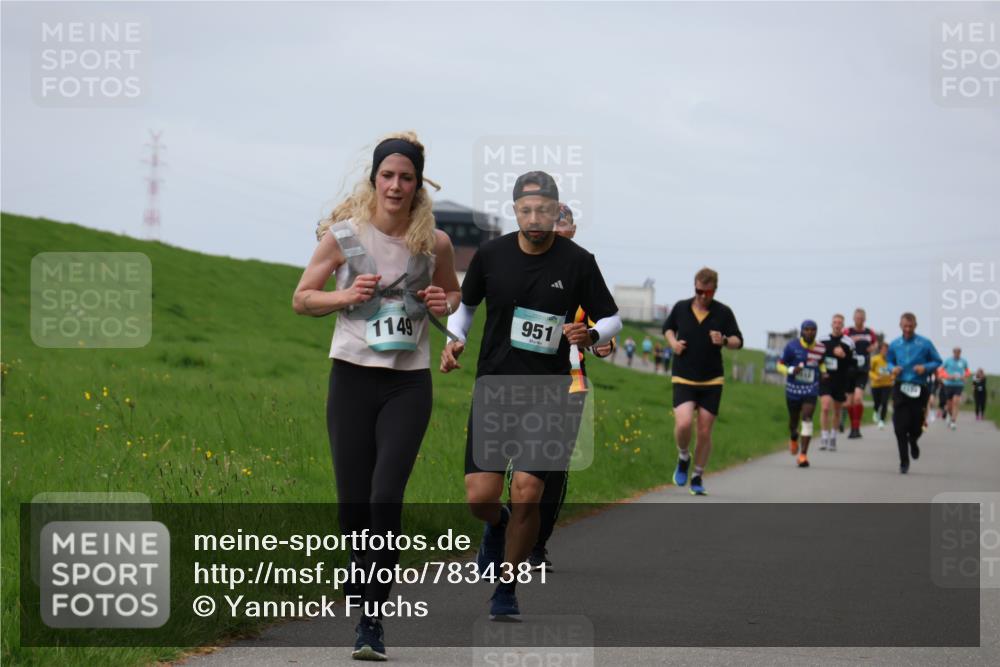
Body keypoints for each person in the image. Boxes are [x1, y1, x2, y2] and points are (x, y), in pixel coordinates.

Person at [292, 132, 461, 661]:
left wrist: (443, 300)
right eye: (387, 175)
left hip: (408, 381)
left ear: (418, 185)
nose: (395, 185)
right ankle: (358, 569)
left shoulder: (433, 243)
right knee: (353, 504)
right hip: (352, 377)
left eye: (406, 177)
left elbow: (455, 295)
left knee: (385, 496)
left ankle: (372, 619)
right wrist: (345, 294)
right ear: (374, 179)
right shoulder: (344, 236)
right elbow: (302, 298)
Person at [440, 172, 620, 620]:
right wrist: (454, 338)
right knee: (480, 497)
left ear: (557, 211)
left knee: (528, 489)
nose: (535, 217)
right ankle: (496, 526)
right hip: (496, 389)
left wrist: (592, 331)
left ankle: (506, 585)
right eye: (526, 209)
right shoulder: (491, 254)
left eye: (544, 210)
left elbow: (612, 319)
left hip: (551, 393)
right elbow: (466, 307)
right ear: (516, 210)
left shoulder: (578, 262)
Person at [663, 267, 744, 495]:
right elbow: (668, 328)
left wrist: (725, 340)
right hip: (684, 375)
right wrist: (673, 344)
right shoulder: (681, 307)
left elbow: (739, 340)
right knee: (684, 423)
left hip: (711, 379)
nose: (701, 296)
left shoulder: (723, 312)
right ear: (695, 287)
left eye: (706, 292)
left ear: (714, 291)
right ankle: (683, 456)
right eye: (698, 291)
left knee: (705, 430)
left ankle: (697, 476)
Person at [886, 312, 942, 474]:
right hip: (901, 387)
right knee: (899, 427)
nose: (908, 329)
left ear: (915, 326)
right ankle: (904, 461)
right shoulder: (895, 344)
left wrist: (925, 368)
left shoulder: (925, 343)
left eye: (910, 326)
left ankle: (914, 440)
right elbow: (889, 361)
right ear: (900, 326)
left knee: (917, 425)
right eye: (905, 326)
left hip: (919, 387)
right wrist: (892, 368)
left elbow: (938, 361)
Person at [778, 320, 826, 468]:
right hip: (793, 389)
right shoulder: (792, 346)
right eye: (807, 330)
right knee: (794, 421)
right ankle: (793, 437)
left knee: (807, 418)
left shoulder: (820, 348)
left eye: (813, 330)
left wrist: (823, 372)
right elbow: (779, 364)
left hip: (811, 389)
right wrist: (791, 370)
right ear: (802, 331)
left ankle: (803, 455)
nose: (810, 332)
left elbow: (821, 363)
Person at [818, 314, 855, 452]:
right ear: (831, 324)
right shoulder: (822, 340)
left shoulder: (849, 342)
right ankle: (824, 436)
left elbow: (853, 364)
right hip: (826, 379)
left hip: (840, 380)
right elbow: (817, 357)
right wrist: (821, 371)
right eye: (835, 322)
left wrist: (844, 356)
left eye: (840, 322)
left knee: (837, 410)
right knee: (826, 407)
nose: (837, 325)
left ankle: (833, 437)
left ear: (843, 325)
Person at [844, 308, 879, 439]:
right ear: (853, 319)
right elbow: (841, 343)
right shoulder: (848, 331)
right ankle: (852, 426)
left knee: (858, 398)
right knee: (849, 402)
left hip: (863, 369)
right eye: (857, 318)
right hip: (849, 369)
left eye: (861, 318)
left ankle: (856, 428)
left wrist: (873, 347)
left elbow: (876, 343)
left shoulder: (869, 332)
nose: (859, 320)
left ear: (864, 319)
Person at [941, 347, 971, 430]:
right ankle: (949, 415)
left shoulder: (963, 361)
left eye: (958, 352)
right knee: (949, 405)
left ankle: (953, 421)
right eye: (955, 352)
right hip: (949, 384)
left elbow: (968, 372)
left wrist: (964, 376)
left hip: (959, 384)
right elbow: (941, 371)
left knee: (956, 401)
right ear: (953, 352)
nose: (957, 353)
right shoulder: (948, 361)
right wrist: (948, 376)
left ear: (960, 353)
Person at [868, 341, 893, 429]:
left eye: (886, 350)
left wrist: (892, 377)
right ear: (880, 350)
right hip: (876, 385)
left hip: (887, 384)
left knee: (885, 402)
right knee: (877, 402)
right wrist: (875, 377)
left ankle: (882, 421)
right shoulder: (875, 359)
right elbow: (870, 371)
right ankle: (875, 411)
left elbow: (894, 371)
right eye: (883, 349)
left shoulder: (891, 360)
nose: (885, 351)